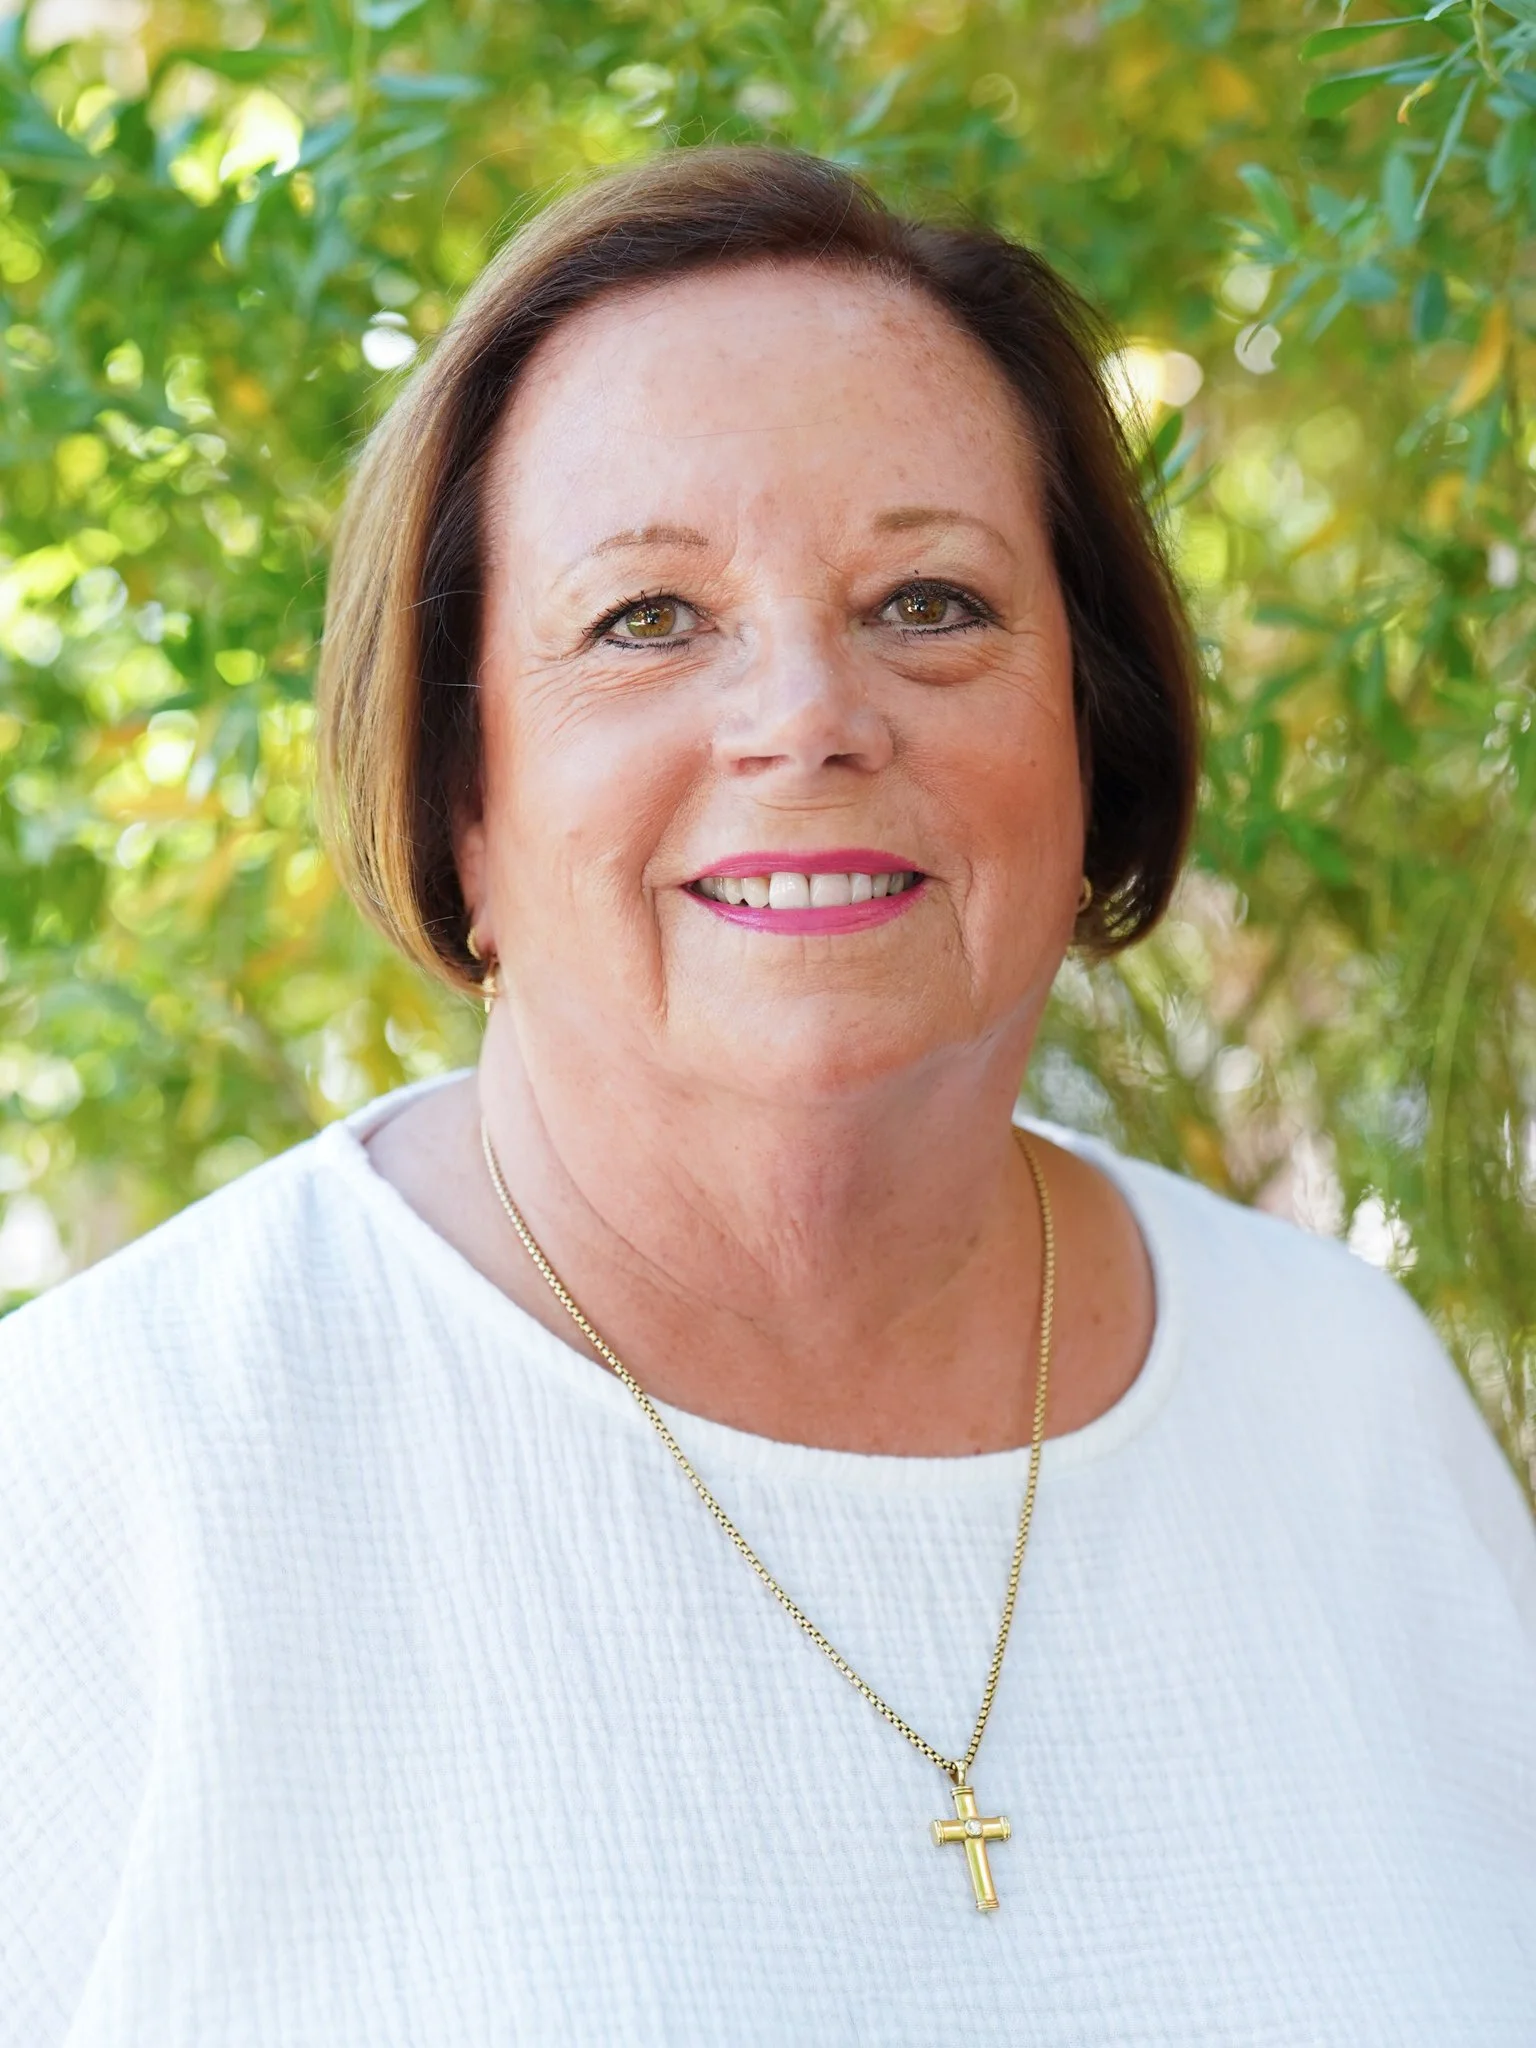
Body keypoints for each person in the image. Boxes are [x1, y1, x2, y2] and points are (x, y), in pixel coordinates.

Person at [2, 146, 1533, 2046]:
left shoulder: (1348, 1395)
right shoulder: (105, 1476)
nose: (810, 714)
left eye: (929, 601)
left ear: (1092, 731)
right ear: (457, 790)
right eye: (649, 618)